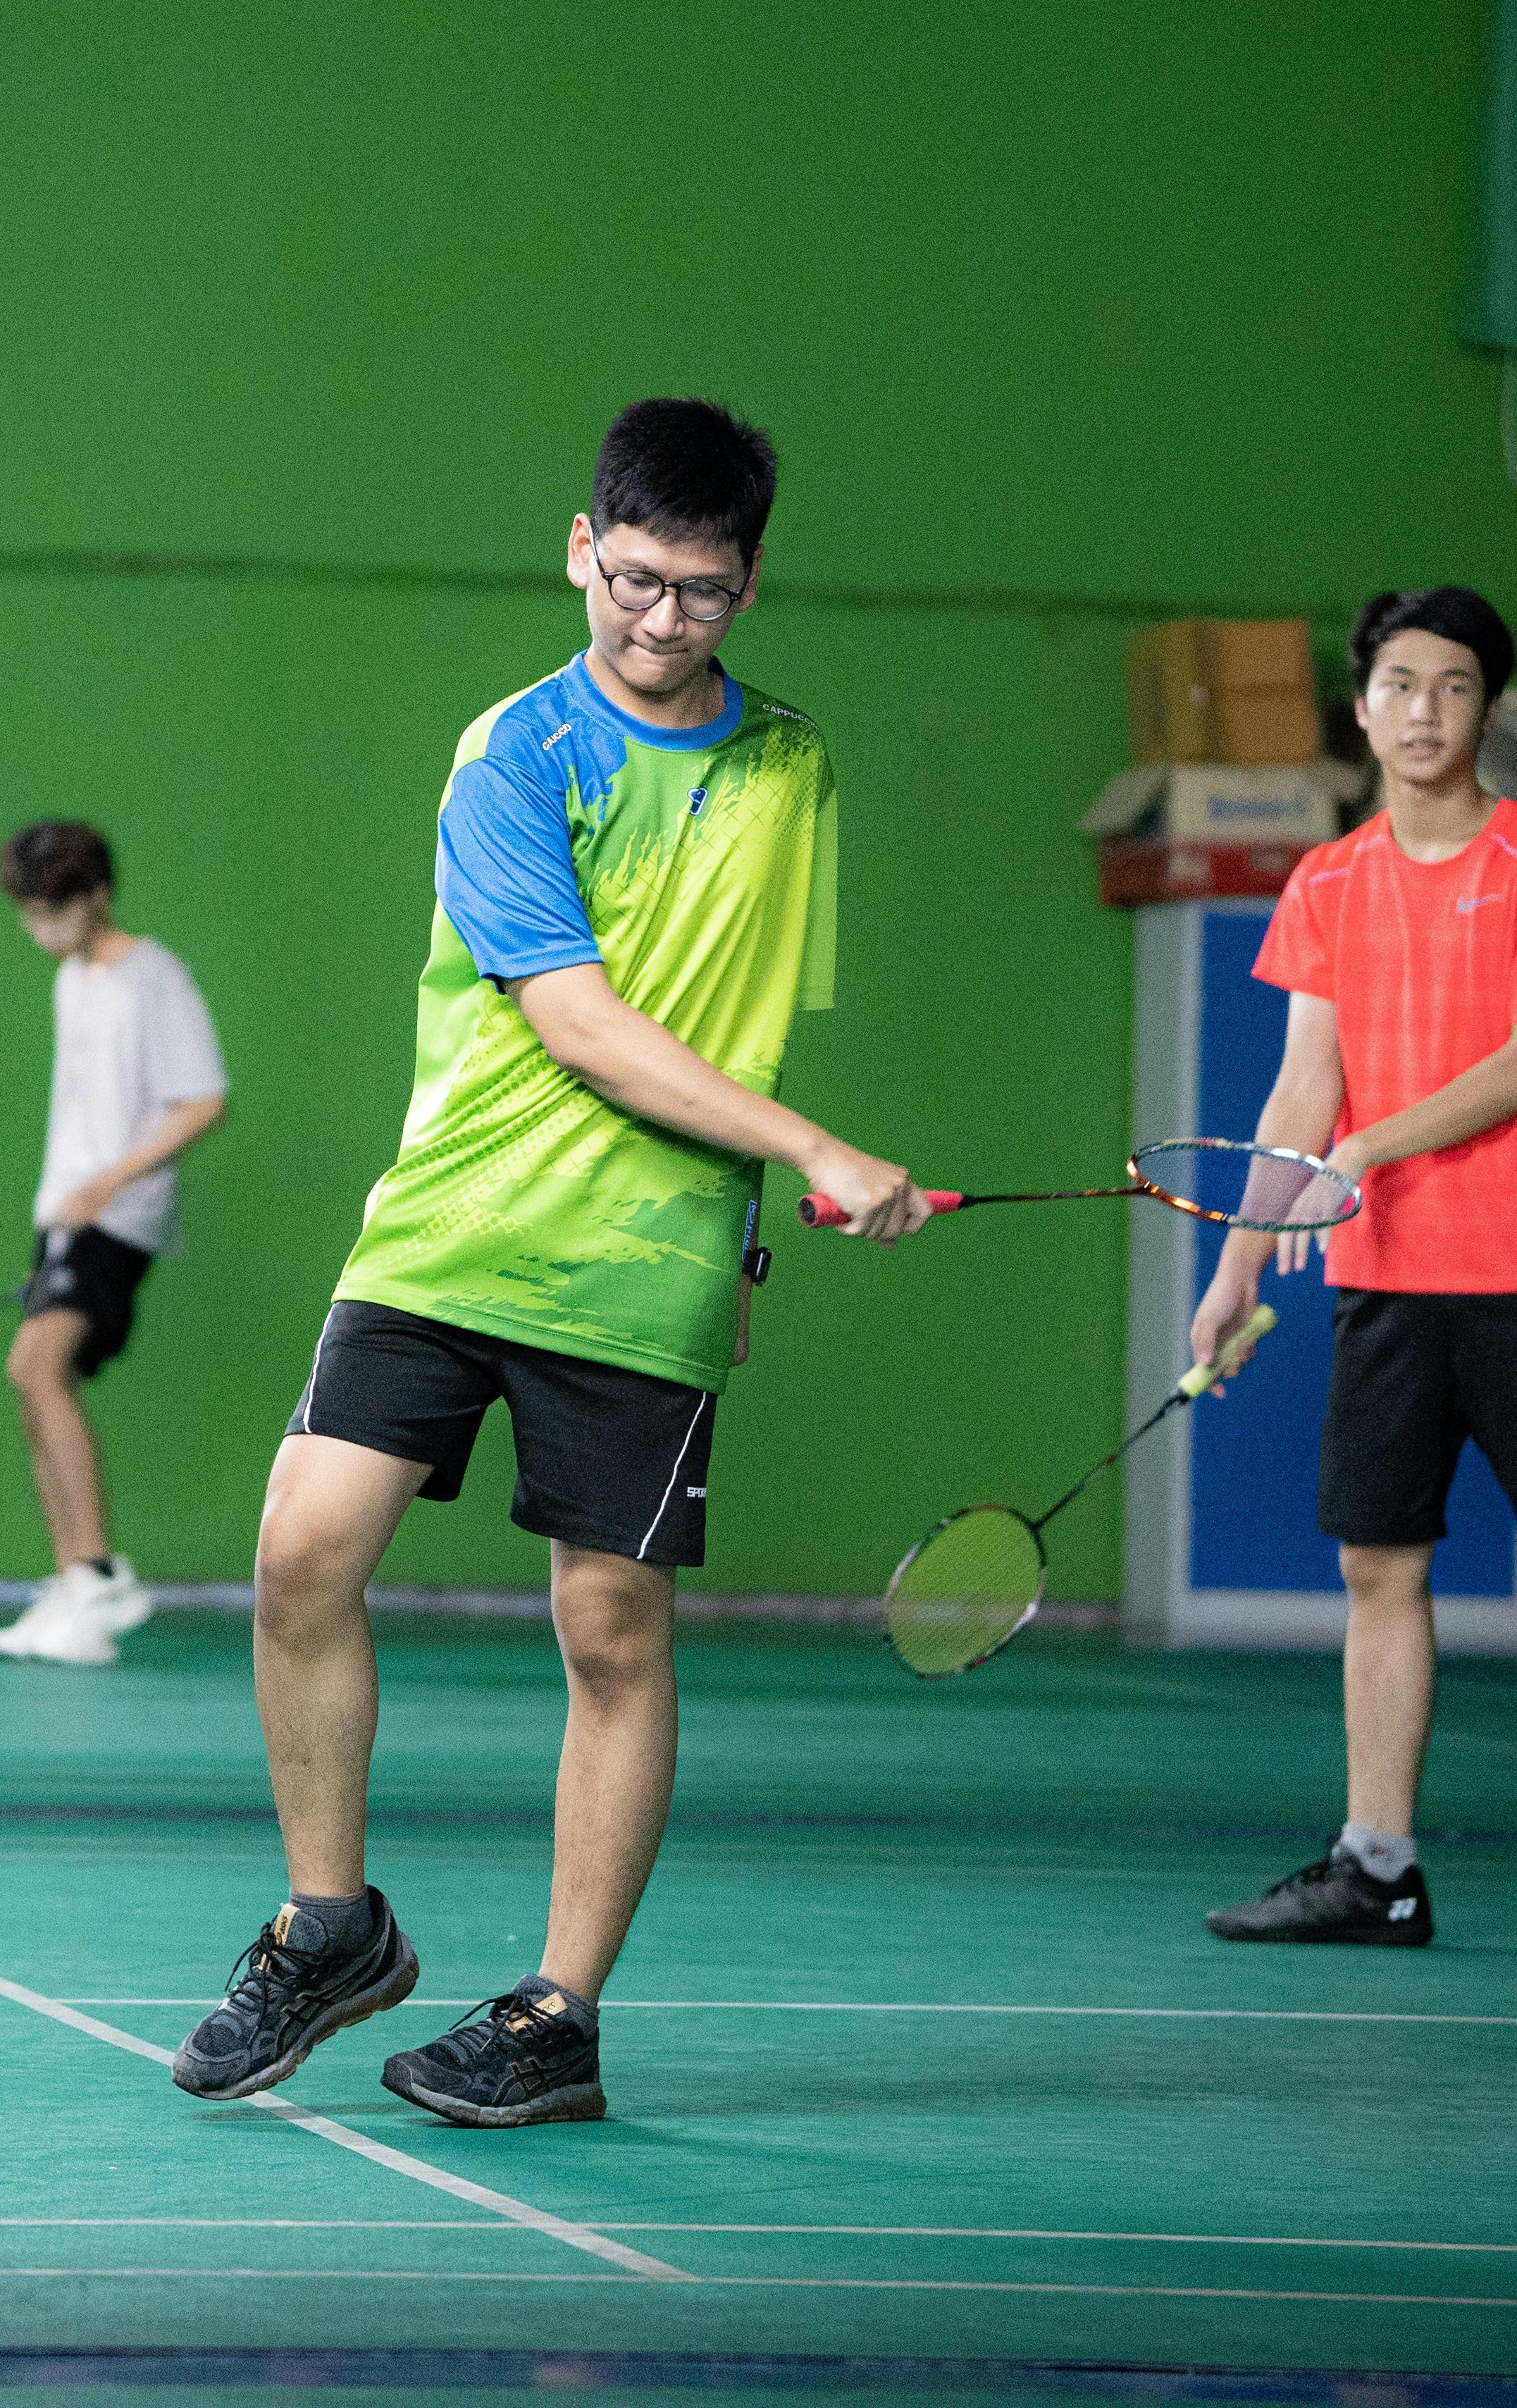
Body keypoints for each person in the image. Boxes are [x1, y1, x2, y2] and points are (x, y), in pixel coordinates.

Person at [171, 397, 930, 2130]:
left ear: (749, 585)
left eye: (706, 593)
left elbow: (736, 1001)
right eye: (638, 579)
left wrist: (756, 1190)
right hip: (455, 1221)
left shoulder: (790, 769)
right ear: (581, 548)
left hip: (647, 1259)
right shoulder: (511, 751)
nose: (663, 621)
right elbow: (578, 1017)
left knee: (609, 1623)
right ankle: (329, 1921)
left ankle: (556, 2014)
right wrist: (813, 1142)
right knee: (304, 1547)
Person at [1191, 586, 1517, 1970]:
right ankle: (1379, 1865)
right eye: (1398, 683)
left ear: (1485, 709)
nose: (1423, 709)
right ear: (1360, 707)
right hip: (1389, 1278)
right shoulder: (1328, 882)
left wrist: (1368, 1140)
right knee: (1381, 1562)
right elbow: (1302, 1083)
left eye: (1452, 685)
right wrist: (1238, 1263)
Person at [0, 819, 228, 1666]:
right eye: (30, 914)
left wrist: (111, 1181)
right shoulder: (73, 981)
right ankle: (71, 1586)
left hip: (117, 1216)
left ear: (98, 896)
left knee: (34, 1366)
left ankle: (98, 1573)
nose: (41, 931)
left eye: (55, 911)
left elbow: (203, 1101)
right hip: (65, 1213)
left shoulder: (153, 979)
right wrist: (64, 1201)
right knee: (33, 1388)